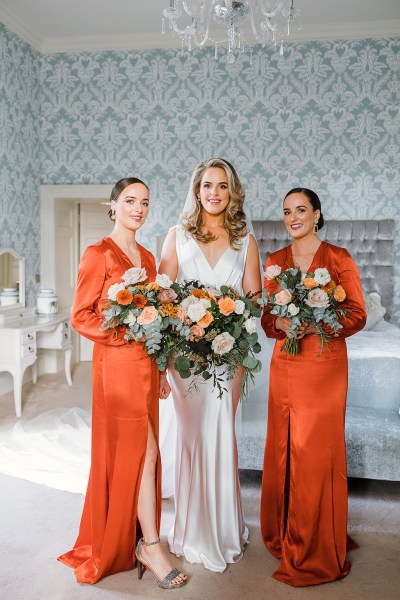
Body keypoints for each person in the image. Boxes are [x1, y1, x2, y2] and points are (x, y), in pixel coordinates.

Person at [57, 178, 187, 589]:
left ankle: (141, 540)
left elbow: (157, 322)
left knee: (144, 455)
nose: (139, 208)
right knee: (143, 453)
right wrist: (126, 332)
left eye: (145, 202)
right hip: (116, 368)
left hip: (146, 371)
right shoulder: (98, 254)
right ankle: (150, 545)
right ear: (113, 205)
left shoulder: (148, 260)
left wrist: (163, 368)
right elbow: (81, 315)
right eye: (130, 200)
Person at [159, 158, 262, 572]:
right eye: (206, 185)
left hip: (228, 355)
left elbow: (254, 300)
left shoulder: (246, 241)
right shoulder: (176, 236)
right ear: (196, 190)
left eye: (222, 185)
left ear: (232, 192)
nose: (214, 192)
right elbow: (164, 298)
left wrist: (233, 322)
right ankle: (188, 530)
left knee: (220, 434)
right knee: (191, 438)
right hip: (185, 359)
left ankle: (222, 530)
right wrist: (169, 352)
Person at [260, 188, 367, 586]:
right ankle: (286, 532)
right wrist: (282, 324)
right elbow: (268, 319)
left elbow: (356, 314)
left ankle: (317, 542)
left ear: (317, 213)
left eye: (301, 210)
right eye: (287, 212)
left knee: (315, 452)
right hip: (285, 365)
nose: (293, 218)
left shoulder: (338, 258)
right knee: (285, 447)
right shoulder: (275, 261)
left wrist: (317, 323)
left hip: (323, 366)